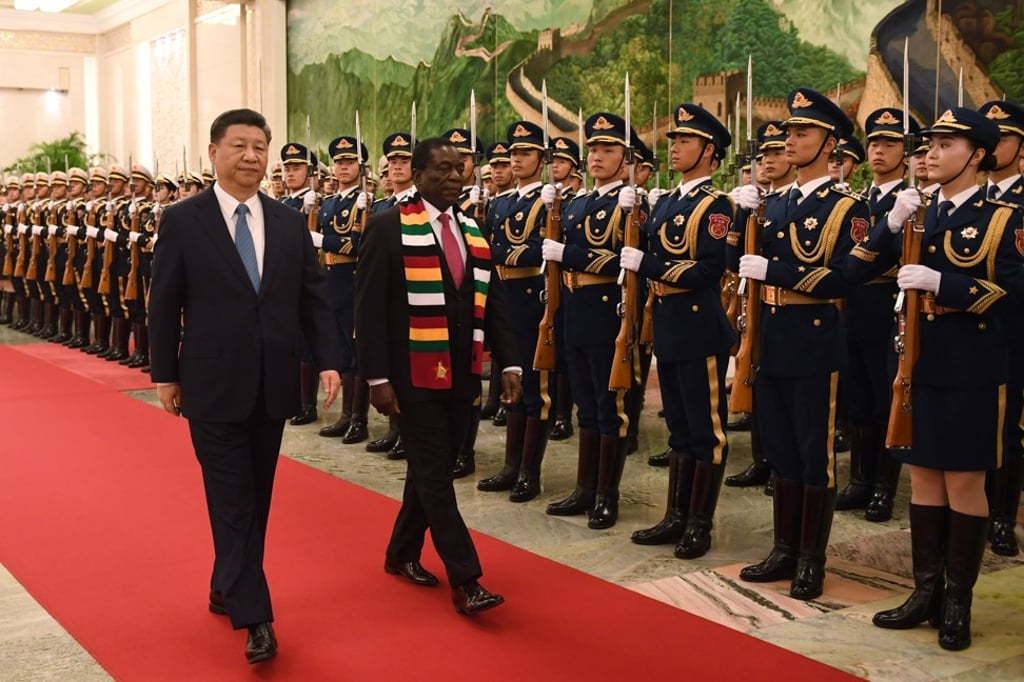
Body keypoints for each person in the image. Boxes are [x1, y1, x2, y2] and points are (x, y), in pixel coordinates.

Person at [149, 108, 342, 664]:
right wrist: (165, 373)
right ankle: (256, 618)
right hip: (209, 382)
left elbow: (313, 295)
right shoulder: (184, 220)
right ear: (214, 152)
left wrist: (328, 360)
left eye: (260, 147)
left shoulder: (285, 221)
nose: (251, 156)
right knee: (231, 498)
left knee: (256, 498)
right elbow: (164, 303)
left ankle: (226, 582)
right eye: (239, 146)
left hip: (274, 382)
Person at [864, 107, 1024, 651]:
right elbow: (856, 268)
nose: (930, 153)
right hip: (916, 362)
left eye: (947, 145)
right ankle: (923, 592)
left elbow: (1017, 293)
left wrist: (946, 285)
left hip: (970, 366)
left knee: (963, 482)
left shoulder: (1004, 218)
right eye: (929, 144)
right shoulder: (915, 211)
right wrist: (888, 225)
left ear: (977, 155)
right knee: (924, 478)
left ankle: (958, 600)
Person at [354, 136, 522, 615]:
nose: (453, 177)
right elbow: (369, 313)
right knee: (435, 475)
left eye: (460, 169)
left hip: (462, 375)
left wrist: (508, 363)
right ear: (419, 175)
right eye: (442, 170)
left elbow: (495, 307)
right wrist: (376, 379)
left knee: (431, 471)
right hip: (411, 375)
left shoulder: (473, 228)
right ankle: (467, 579)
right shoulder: (387, 228)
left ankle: (401, 552)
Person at [732, 88, 869, 600]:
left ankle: (812, 557)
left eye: (802, 132)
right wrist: (740, 221)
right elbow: (737, 266)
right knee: (782, 451)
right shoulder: (773, 204)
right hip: (772, 337)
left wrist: (777, 270)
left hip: (815, 339)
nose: (790, 140)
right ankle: (784, 549)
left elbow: (843, 279)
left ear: (829, 142)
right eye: (788, 131)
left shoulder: (846, 208)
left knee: (816, 455)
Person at [623, 103, 735, 558]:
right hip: (667, 324)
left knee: (707, 431)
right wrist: (631, 218)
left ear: (710, 151)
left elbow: (709, 270)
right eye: (674, 141)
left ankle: (699, 524)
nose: (675, 148)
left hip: (699, 328)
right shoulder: (667, 201)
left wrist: (647, 262)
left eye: (685, 141)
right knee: (679, 430)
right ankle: (674, 516)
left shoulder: (717, 205)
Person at [542, 112, 644, 529]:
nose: (598, 156)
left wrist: (568, 254)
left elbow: (622, 258)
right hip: (575, 307)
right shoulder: (579, 202)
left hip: (608, 310)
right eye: (594, 149)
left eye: (609, 149)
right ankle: (585, 489)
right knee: (585, 405)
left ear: (626, 158)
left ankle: (606, 494)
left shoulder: (633, 202)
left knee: (610, 408)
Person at [838, 108, 920, 523]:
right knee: (857, 399)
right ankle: (858, 480)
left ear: (905, 153)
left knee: (888, 398)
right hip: (852, 304)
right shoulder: (854, 202)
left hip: (889, 308)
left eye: (889, 143)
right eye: (873, 142)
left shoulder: (913, 202)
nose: (878, 150)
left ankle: (883, 488)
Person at [475, 121, 551, 501]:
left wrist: (496, 255)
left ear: (542, 159)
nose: (516, 160)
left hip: (530, 297)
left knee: (534, 389)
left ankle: (529, 472)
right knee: (512, 383)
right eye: (513, 153)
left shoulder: (547, 203)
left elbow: (538, 250)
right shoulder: (503, 202)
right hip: (503, 297)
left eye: (524, 154)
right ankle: (510, 465)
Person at [977, 99, 1024, 557]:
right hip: (968, 333)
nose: (992, 145)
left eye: (1003, 137)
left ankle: (1003, 516)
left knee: (1008, 426)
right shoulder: (972, 197)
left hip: (1012, 329)